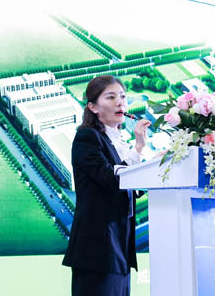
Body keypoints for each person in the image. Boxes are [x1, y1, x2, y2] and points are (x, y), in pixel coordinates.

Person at [63, 75, 151, 296]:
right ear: (93, 107)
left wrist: (146, 156)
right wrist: (137, 151)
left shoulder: (117, 140)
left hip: (119, 246)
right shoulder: (87, 137)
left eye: (123, 96)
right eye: (111, 97)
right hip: (98, 249)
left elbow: (130, 190)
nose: (120, 102)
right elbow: (110, 180)